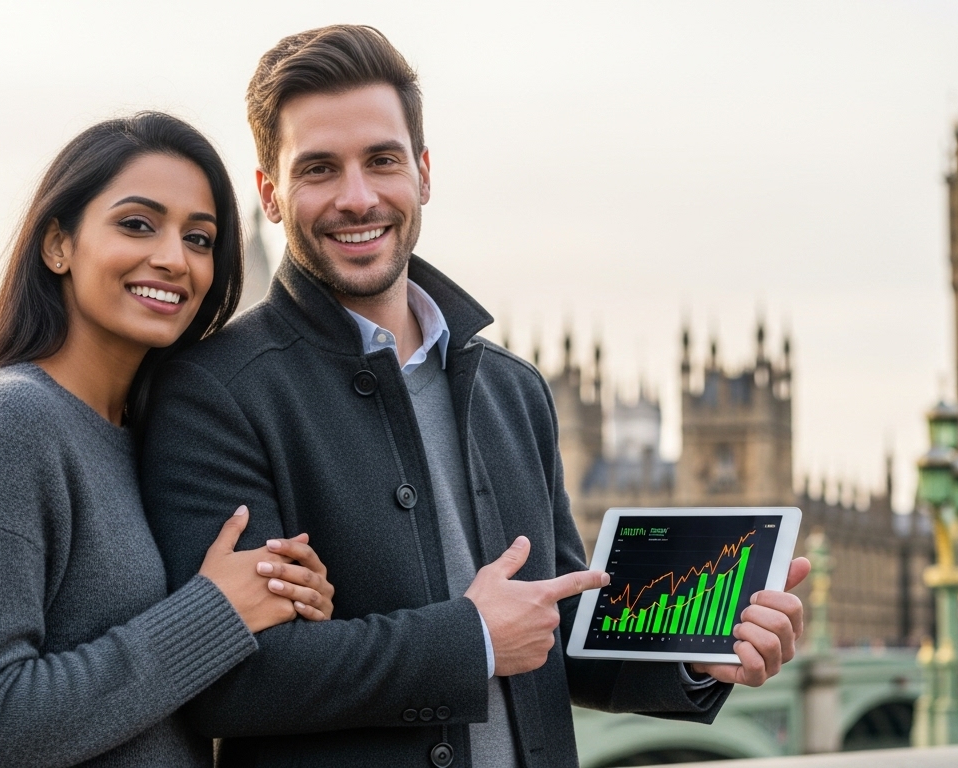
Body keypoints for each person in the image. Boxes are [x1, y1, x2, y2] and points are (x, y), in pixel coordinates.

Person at [140, 25, 809, 768]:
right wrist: (473, 637)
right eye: (320, 169)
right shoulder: (215, 393)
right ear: (270, 192)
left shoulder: (512, 390)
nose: (357, 197)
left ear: (424, 173)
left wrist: (699, 656)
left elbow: (554, 632)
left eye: (382, 161)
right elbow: (233, 681)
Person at [0, 112, 337, 768]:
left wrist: (286, 605)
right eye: (137, 224)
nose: (172, 258)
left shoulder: (152, 441)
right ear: (58, 245)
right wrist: (215, 613)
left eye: (199, 238)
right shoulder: (10, 421)